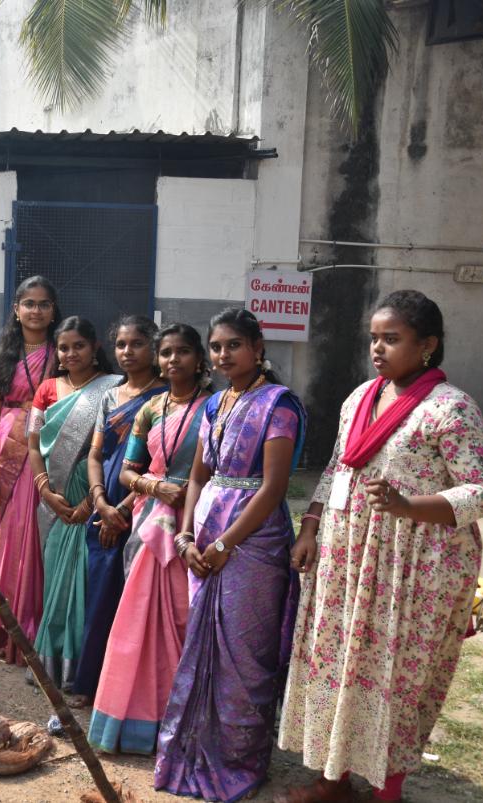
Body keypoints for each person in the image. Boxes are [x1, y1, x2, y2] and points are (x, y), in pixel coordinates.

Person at [276, 290, 483, 803]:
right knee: (339, 664)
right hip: (348, 556)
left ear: (428, 345)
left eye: (392, 339)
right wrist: (309, 528)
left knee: (392, 676)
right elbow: (336, 468)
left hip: (413, 564)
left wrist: (409, 504)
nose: (378, 348)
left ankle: (387, 789)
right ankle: (333, 778)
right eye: (374, 338)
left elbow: (479, 490)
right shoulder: (361, 398)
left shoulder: (451, 408)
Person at [154, 306, 305, 803]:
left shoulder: (278, 404)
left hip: (253, 543)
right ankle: (194, 752)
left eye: (233, 345)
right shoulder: (216, 405)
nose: (222, 354)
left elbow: (273, 488)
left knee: (245, 656)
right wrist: (189, 535)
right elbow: (198, 476)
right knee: (202, 650)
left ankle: (239, 761)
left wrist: (222, 544)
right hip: (207, 538)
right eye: (216, 346)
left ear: (258, 348)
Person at [90, 323, 211, 755]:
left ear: (199, 358)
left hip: (196, 522)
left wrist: (182, 498)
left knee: (183, 619)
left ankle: (180, 719)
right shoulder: (151, 409)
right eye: (165, 353)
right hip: (149, 522)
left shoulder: (215, 407)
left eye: (182, 352)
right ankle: (136, 723)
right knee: (137, 620)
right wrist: (154, 489)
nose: (172, 360)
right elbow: (126, 470)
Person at [70, 315, 164, 700]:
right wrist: (100, 501)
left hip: (141, 500)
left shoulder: (164, 398)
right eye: (122, 344)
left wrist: (122, 509)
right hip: (104, 497)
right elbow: (95, 454)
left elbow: (160, 463)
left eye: (137, 343)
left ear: (153, 348)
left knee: (129, 596)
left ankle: (123, 690)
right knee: (99, 594)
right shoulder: (110, 395)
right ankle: (90, 682)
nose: (128, 351)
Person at [29, 316, 123, 689]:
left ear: (95, 346)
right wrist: (44, 490)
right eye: (63, 348)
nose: (70, 354)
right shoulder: (47, 389)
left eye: (78, 346)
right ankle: (52, 664)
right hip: (54, 497)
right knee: (56, 581)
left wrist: (90, 501)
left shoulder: (114, 389)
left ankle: (82, 669)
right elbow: (34, 444)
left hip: (97, 497)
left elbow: (112, 452)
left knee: (87, 582)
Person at [0, 276, 62, 664]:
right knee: (12, 538)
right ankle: (8, 627)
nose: (36, 310)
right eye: (28, 303)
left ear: (53, 310)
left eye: (44, 304)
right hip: (7, 450)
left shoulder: (62, 353)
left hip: (46, 448)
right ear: (16, 309)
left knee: (37, 537)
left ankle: (33, 627)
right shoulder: (4, 358)